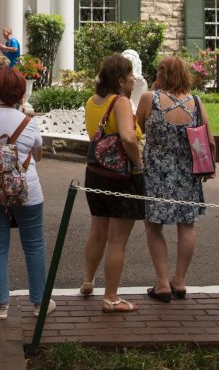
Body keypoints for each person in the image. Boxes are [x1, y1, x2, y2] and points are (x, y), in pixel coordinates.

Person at [0, 66, 52, 320]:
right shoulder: (29, 123)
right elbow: (38, 156)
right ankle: (40, 302)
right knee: (34, 245)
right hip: (27, 190)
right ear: (21, 93)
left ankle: (1, 304)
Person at [135, 55, 213, 303]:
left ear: (162, 74)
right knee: (186, 225)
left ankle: (162, 283)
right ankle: (179, 280)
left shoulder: (150, 98)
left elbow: (138, 128)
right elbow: (209, 140)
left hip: (156, 171)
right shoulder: (197, 103)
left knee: (153, 225)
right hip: (187, 172)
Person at [81, 53, 145, 314]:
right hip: (120, 175)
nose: (133, 79)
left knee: (98, 230)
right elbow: (129, 138)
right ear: (120, 80)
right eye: (130, 75)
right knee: (117, 240)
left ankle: (87, 281)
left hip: (96, 172)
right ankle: (111, 297)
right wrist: (138, 164)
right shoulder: (120, 102)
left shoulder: (92, 101)